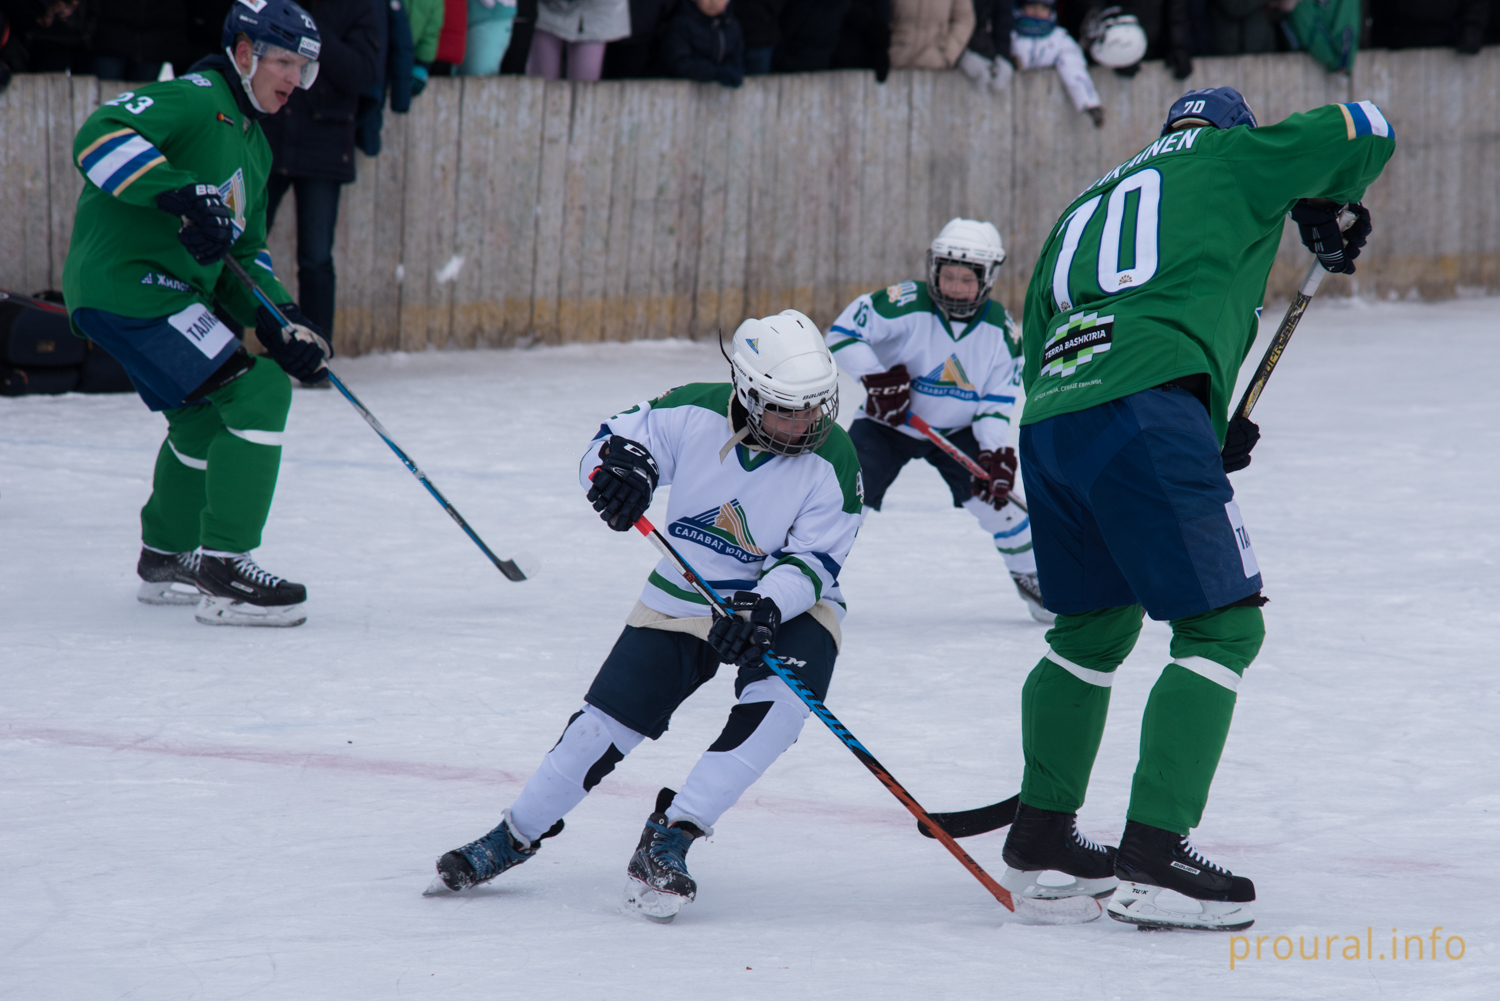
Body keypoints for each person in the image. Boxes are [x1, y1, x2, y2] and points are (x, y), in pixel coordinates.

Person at [1000, 86, 1392, 930]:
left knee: (1091, 629)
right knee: (1223, 627)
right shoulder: (1232, 156)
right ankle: (1154, 858)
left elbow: (1042, 339)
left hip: (1053, 420)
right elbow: (1368, 125)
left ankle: (1040, 839)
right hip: (1145, 403)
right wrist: (1321, 198)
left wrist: (1199, 422)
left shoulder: (1084, 204)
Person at [428, 310, 862, 923]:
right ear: (747, 392)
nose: (806, 423)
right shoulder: (691, 410)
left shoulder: (835, 457)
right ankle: (514, 834)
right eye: (788, 409)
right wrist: (622, 473)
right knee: (596, 730)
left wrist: (765, 606)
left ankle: (673, 834)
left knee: (779, 710)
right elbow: (610, 442)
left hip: (788, 604)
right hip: (685, 590)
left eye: (816, 406)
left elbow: (817, 559)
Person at [61, 0, 334, 628]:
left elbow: (244, 252)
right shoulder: (194, 96)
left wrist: (281, 319)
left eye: (305, 68)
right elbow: (98, 134)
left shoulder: (254, 147)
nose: (294, 79)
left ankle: (165, 558)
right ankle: (226, 567)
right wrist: (177, 191)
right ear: (244, 54)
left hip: (160, 294)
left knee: (200, 422)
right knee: (258, 391)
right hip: (132, 286)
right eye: (285, 61)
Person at [825, 219, 1046, 624]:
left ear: (987, 278)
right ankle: (810, 580)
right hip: (888, 423)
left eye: (966, 279)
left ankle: (1036, 579)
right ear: (934, 271)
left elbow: (996, 403)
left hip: (960, 430)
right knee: (840, 500)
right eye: (948, 276)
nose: (955, 288)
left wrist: (996, 451)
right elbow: (841, 335)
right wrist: (877, 379)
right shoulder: (904, 301)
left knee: (1000, 504)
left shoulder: (1002, 331)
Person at [261, 0, 381, 356]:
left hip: (324, 144)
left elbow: (362, 73)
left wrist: (312, 35)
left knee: (315, 258)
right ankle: (227, 349)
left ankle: (315, 354)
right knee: (244, 250)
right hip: (271, 140)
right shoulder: (274, 6)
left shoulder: (356, 9)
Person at [1012, 0, 1104, 127]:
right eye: (1032, 6)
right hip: (1014, 105)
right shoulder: (1011, 35)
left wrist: (1089, 102)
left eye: (1043, 8)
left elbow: (1074, 68)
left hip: (1044, 107)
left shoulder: (1058, 38)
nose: (1037, 12)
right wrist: (1013, 62)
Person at [658, 0, 743, 87]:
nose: (712, 2)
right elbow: (679, 63)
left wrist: (732, 70)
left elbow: (736, 57)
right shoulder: (681, 24)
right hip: (679, 91)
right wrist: (715, 73)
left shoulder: (731, 25)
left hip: (717, 94)